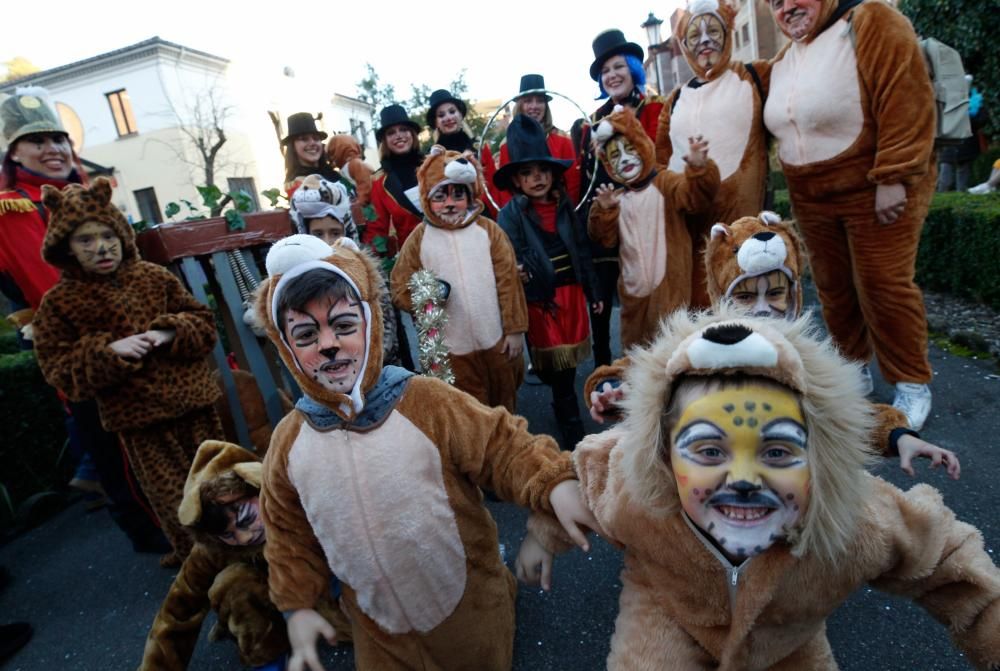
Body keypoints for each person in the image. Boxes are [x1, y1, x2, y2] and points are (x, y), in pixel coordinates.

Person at [521, 311, 999, 669]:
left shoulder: (855, 521)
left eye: (776, 452)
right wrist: (543, 534)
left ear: (819, 456)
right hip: (667, 619)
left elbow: (946, 561)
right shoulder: (634, 491)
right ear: (663, 456)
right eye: (709, 451)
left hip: (786, 644)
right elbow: (582, 476)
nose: (745, 480)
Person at [253, 234, 597, 670]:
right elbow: (287, 534)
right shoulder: (289, 443)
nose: (328, 344)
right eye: (305, 334)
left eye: (343, 325)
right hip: (378, 630)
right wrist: (297, 605)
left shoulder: (425, 401)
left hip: (467, 612)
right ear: (286, 347)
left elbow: (501, 444)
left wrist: (552, 482)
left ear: (371, 323)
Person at [588, 211, 961, 478]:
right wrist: (609, 388)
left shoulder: (807, 356)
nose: (764, 308)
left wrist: (898, 437)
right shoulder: (703, 339)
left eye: (777, 292)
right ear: (722, 298)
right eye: (747, 297)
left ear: (794, 294)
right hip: (711, 482)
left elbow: (845, 412)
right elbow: (644, 368)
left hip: (784, 485)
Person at [0, 86, 167, 555]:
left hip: (127, 329)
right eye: (39, 141)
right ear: (15, 152)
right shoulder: (11, 206)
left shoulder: (85, 195)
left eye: (59, 139)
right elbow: (50, 285)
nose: (53, 149)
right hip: (84, 344)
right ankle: (146, 532)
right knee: (112, 447)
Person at [763, 0, 938, 430]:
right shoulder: (784, 59)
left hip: (871, 187)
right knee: (834, 289)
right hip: (811, 195)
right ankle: (853, 367)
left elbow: (905, 96)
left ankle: (912, 381)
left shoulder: (870, 19)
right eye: (775, 3)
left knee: (883, 286)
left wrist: (893, 175)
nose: (786, 8)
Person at [31, 178, 224, 567]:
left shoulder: (154, 278)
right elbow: (57, 368)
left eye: (108, 235)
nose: (101, 246)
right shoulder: (60, 303)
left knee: (221, 488)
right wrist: (106, 352)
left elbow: (203, 321)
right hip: (141, 422)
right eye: (85, 240)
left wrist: (170, 331)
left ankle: (250, 563)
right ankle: (208, 580)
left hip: (195, 406)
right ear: (66, 247)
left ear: (122, 235)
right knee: (176, 505)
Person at [138, 440, 350, 671]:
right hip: (272, 609)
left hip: (329, 592)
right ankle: (269, 662)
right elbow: (176, 614)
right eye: (228, 535)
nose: (244, 538)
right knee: (231, 583)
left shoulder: (300, 502)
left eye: (247, 519)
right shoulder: (214, 548)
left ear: (261, 489)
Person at [391, 146, 528, 413]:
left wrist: (515, 329)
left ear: (470, 194)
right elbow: (399, 286)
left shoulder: (489, 231)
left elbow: (509, 282)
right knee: (468, 415)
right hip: (451, 350)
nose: (450, 203)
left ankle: (508, 451)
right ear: (427, 200)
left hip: (495, 340)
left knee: (505, 409)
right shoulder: (419, 239)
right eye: (440, 196)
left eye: (458, 194)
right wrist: (426, 295)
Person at [654, 0, 770, 308]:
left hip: (742, 234)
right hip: (689, 232)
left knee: (748, 313)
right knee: (699, 316)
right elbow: (658, 162)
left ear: (728, 31)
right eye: (695, 35)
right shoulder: (676, 98)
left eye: (713, 31)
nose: (705, 40)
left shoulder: (755, 76)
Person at [494, 114, 600, 449]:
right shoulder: (510, 214)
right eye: (527, 173)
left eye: (542, 170)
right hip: (541, 301)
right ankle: (570, 425)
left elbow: (582, 248)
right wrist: (519, 269)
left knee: (566, 370)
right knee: (555, 366)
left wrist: (594, 289)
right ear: (517, 180)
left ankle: (565, 414)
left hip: (571, 295)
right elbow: (507, 254)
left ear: (553, 173)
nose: (537, 178)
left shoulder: (565, 206)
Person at [587, 105, 719, 350]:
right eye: (615, 156)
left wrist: (699, 170)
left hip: (671, 290)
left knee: (675, 351)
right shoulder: (616, 198)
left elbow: (696, 199)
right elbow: (603, 239)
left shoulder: (665, 181)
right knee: (636, 357)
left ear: (643, 146)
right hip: (633, 295)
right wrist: (604, 211)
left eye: (630, 150)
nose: (624, 160)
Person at [581, 29, 668, 367]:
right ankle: (607, 376)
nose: (612, 75)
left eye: (618, 67)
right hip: (611, 220)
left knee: (658, 296)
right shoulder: (593, 122)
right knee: (604, 309)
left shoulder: (658, 108)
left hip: (653, 214)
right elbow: (590, 181)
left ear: (633, 68)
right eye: (605, 72)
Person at [496, 74, 580, 207]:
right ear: (520, 105)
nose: (534, 106)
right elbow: (507, 190)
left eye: (540, 101)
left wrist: (566, 213)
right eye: (528, 101)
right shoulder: (507, 145)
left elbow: (573, 183)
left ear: (546, 106)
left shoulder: (563, 139)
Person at [425, 89, 501, 216]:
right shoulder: (432, 156)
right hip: (451, 218)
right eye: (441, 115)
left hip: (484, 215)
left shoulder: (478, 146)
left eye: (452, 111)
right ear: (436, 122)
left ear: (460, 115)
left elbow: (494, 186)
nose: (448, 118)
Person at [281, 112, 345, 199]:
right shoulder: (295, 183)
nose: (312, 143)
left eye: (316, 138)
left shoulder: (334, 174)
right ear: (293, 147)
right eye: (304, 139)